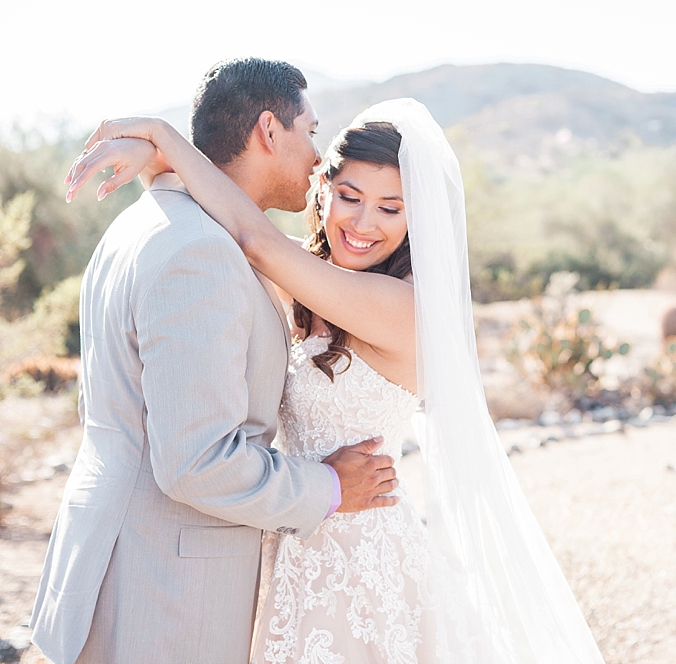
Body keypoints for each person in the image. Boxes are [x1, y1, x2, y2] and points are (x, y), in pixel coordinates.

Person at [69, 98, 606, 662]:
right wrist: (158, 166)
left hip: (362, 559)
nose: (364, 223)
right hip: (289, 538)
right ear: (322, 189)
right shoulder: (310, 276)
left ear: (415, 219)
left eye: (390, 209)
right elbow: (231, 216)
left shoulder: (401, 307)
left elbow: (252, 238)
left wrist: (162, 136)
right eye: (350, 197)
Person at [31, 58, 399, 664]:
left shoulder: (141, 225)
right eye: (309, 131)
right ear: (269, 131)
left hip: (118, 563)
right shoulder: (202, 253)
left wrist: (160, 150)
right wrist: (329, 484)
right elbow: (196, 462)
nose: (316, 158)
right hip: (163, 591)